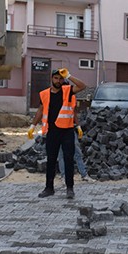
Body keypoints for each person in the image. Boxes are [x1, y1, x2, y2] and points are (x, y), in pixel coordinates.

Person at [28, 68, 86, 199]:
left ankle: (70, 188)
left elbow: (82, 86)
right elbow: (40, 110)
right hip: (52, 132)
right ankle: (49, 188)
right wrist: (32, 125)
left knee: (68, 159)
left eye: (60, 78)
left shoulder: (68, 91)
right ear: (51, 79)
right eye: (56, 78)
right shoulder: (44, 94)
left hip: (67, 131)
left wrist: (69, 75)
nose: (58, 81)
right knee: (51, 160)